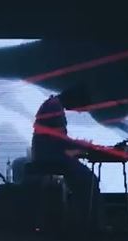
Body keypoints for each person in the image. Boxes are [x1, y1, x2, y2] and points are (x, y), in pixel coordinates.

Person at [29, 84, 102, 228]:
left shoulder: (53, 105)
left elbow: (58, 140)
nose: (79, 111)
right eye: (80, 107)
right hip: (49, 157)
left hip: (49, 154)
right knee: (89, 179)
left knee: (84, 179)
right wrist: (82, 145)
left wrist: (77, 147)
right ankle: (90, 224)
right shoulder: (54, 107)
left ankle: (82, 221)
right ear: (75, 99)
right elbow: (60, 141)